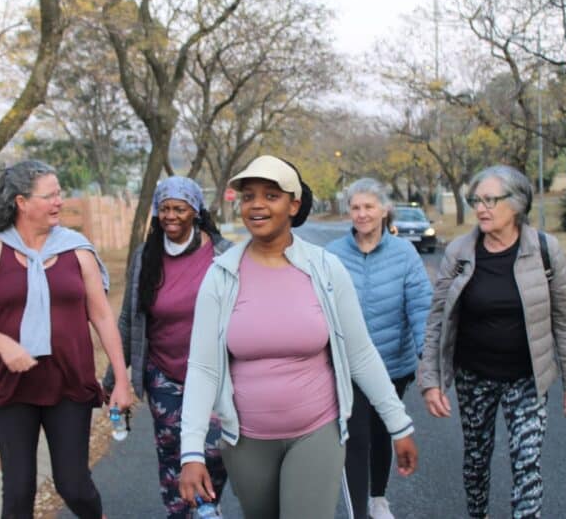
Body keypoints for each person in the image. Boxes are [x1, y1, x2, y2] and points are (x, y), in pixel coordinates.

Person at [178, 155, 418, 519]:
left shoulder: (325, 269)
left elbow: (360, 353)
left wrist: (398, 423)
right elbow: (202, 369)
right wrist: (191, 452)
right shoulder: (220, 276)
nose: (257, 205)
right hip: (245, 442)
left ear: (293, 204)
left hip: (315, 433)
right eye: (248, 196)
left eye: (271, 195)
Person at [0, 160, 134, 519]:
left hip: (69, 381)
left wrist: (121, 380)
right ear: (21, 202)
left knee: (74, 485)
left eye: (59, 193)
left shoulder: (77, 249)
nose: (59, 202)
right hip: (12, 386)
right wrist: (2, 343)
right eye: (49, 195)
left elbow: (101, 316)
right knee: (17, 492)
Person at [419, 165, 566, 519]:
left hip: (527, 378)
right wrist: (430, 381)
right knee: (477, 459)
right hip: (474, 376)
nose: (481, 208)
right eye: (477, 200)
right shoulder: (460, 252)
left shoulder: (544, 250)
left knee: (527, 462)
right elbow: (437, 320)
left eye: (490, 200)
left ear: (517, 203)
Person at [103, 176, 231, 518]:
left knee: (214, 450)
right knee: (173, 452)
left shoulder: (222, 253)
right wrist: (114, 376)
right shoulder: (146, 255)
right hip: (164, 374)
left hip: (215, 374)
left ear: (196, 211)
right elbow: (130, 317)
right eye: (164, 209)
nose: (170, 216)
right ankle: (181, 512)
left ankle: (206, 505)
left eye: (179, 208)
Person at [326, 178, 432, 519]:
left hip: (392, 364)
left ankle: (378, 498)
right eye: (355, 207)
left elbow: (420, 309)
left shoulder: (405, 254)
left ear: (384, 210)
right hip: (347, 367)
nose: (362, 214)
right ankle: (358, 508)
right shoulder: (332, 254)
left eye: (369, 207)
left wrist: (426, 359)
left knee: (382, 429)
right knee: (356, 436)